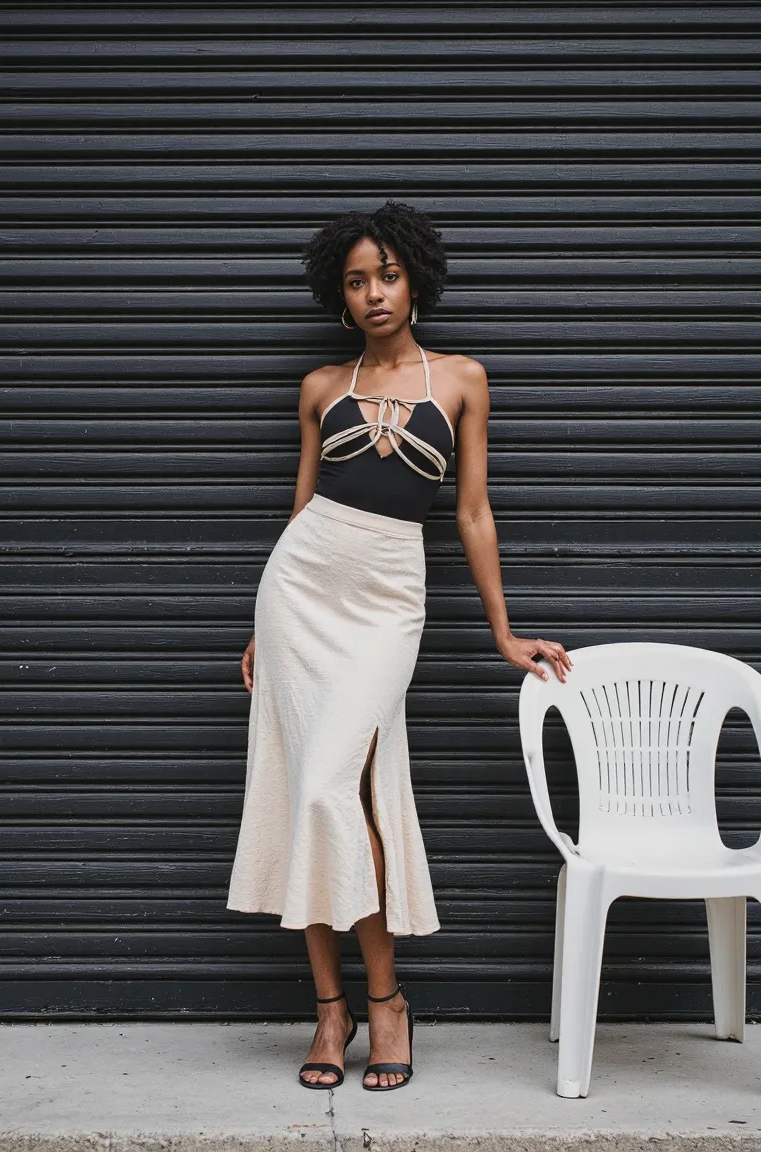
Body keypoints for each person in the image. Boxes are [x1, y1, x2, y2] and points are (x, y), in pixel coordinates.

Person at [226, 200, 571, 1092]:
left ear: (414, 278)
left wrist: (502, 632)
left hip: (388, 596)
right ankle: (332, 1010)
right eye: (356, 280)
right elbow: (300, 514)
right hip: (300, 590)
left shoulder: (461, 379)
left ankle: (387, 1003)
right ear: (338, 298)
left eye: (387, 273)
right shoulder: (319, 388)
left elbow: (472, 511)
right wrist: (260, 628)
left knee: (335, 785)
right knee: (306, 792)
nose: (374, 292)